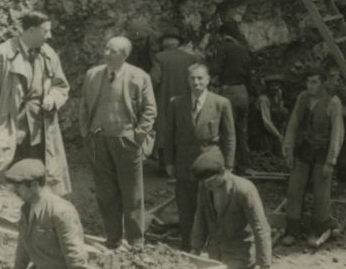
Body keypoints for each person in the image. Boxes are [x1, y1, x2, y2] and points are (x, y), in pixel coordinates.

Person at [0, 10, 71, 220]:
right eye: (45, 31)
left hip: (40, 125)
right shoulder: (2, 53)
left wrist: (53, 98)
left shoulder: (49, 54)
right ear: (31, 31)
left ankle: (38, 215)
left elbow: (61, 86)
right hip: (10, 122)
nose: (49, 36)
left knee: (42, 170)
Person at [79, 36, 158, 250]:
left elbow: (150, 110)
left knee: (132, 193)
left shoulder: (139, 77)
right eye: (106, 48)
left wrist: (137, 136)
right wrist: (86, 133)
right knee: (106, 193)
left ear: (124, 55)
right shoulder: (93, 75)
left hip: (126, 141)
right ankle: (113, 239)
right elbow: (84, 106)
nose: (106, 53)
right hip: (99, 141)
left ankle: (136, 241)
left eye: (112, 51)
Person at [189, 149, 272, 269]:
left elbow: (260, 227)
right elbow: (201, 217)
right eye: (206, 184)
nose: (209, 186)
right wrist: (195, 248)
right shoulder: (205, 189)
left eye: (212, 182)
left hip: (239, 254)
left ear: (224, 171)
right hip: (217, 253)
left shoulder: (244, 190)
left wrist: (264, 264)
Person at [160, 62, 235, 251]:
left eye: (200, 78)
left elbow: (230, 136)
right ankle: (188, 246)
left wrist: (229, 163)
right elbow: (168, 135)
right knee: (186, 207)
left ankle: (212, 247)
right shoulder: (177, 103)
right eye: (192, 78)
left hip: (211, 159)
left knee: (211, 205)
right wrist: (169, 161)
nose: (196, 82)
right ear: (187, 81)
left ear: (208, 80)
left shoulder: (221, 103)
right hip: (184, 162)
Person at [281, 67, 345, 246]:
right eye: (308, 82)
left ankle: (319, 230)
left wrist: (331, 161)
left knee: (321, 193)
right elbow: (293, 124)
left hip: (322, 153)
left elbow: (337, 133)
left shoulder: (333, 103)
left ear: (323, 83)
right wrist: (289, 150)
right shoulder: (303, 98)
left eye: (315, 82)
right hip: (303, 149)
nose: (310, 86)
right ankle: (293, 230)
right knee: (295, 190)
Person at [151, 27, 203, 173]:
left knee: (164, 130)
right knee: (184, 128)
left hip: (164, 101)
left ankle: (164, 167)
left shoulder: (159, 57)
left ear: (164, 43)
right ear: (178, 42)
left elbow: (154, 79)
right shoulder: (190, 58)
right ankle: (184, 165)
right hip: (185, 100)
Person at [208, 21, 254, 175]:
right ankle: (245, 165)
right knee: (242, 130)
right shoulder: (244, 50)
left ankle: (229, 165)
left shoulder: (223, 48)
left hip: (229, 92)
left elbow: (215, 69)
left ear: (222, 35)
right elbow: (249, 74)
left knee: (227, 130)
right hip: (243, 91)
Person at [252, 74, 288, 157]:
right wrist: (278, 135)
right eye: (272, 85)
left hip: (273, 129)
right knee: (267, 155)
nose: (275, 87)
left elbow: (280, 110)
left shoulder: (278, 94)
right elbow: (266, 121)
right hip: (262, 131)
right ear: (267, 87)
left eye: (277, 85)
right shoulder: (263, 99)